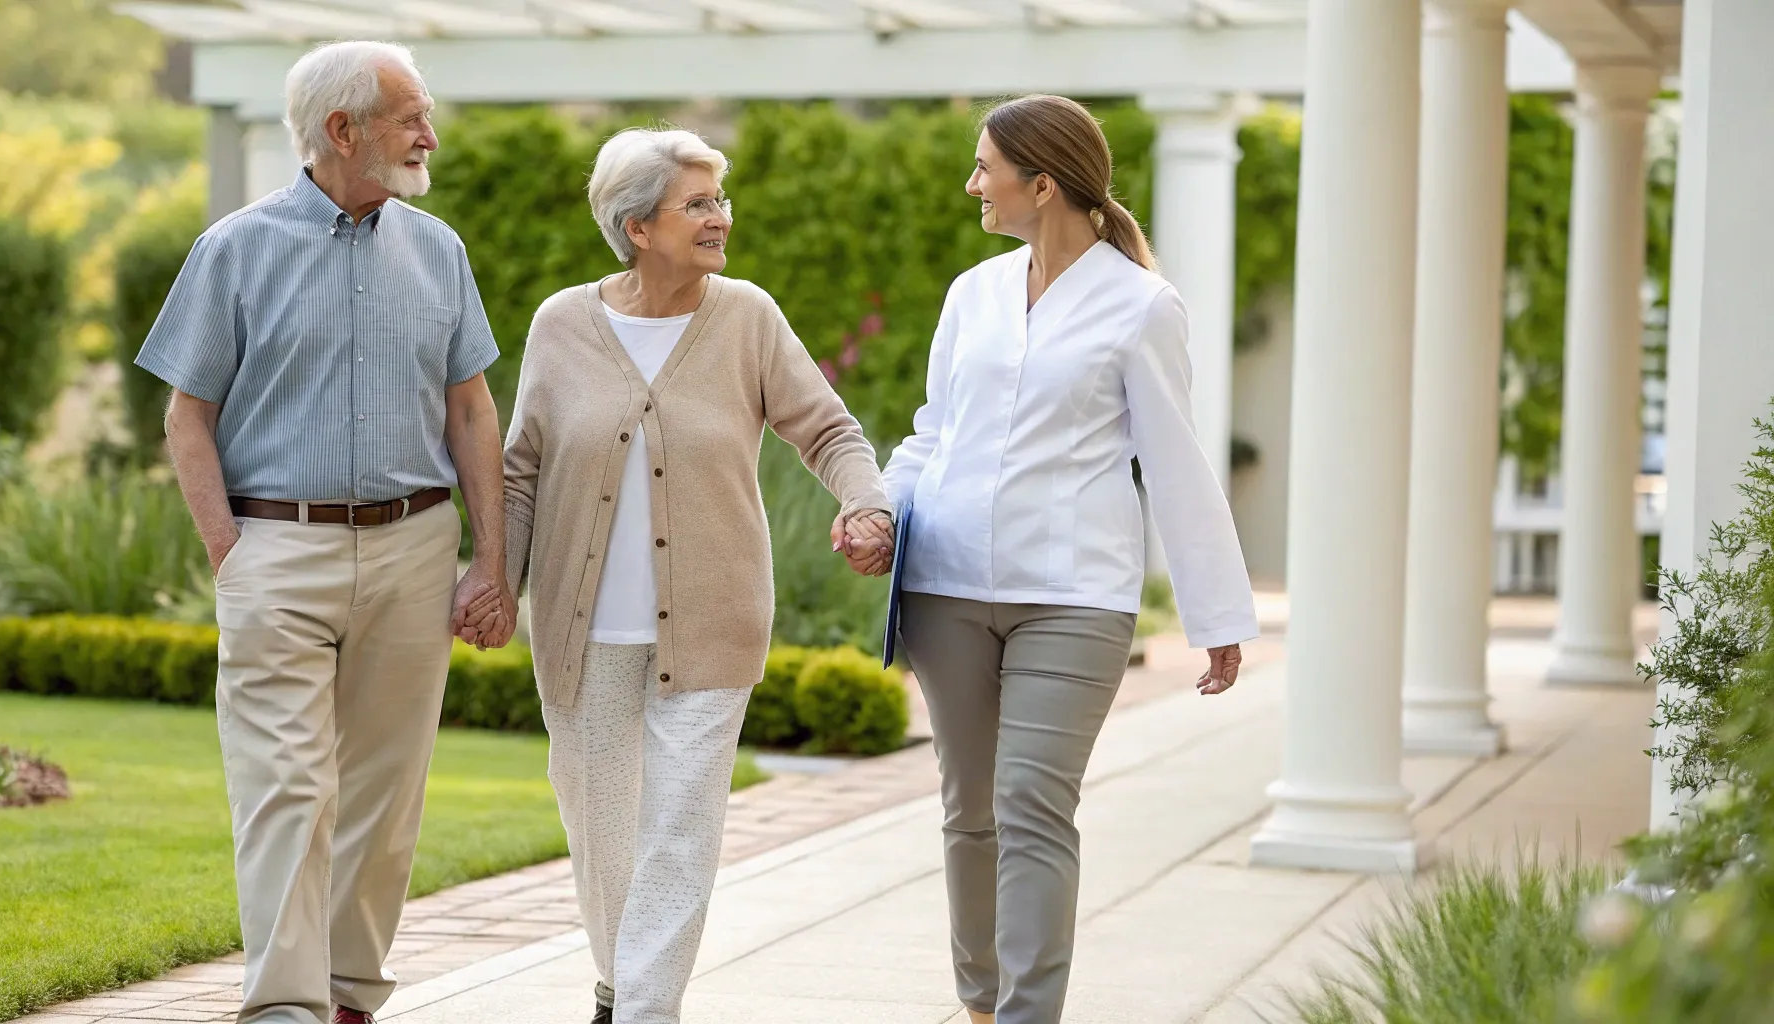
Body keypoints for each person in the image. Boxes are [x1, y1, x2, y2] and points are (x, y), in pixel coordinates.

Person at [133, 41, 512, 1024]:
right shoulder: (234, 249)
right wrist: (233, 553)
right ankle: (285, 1008)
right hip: (277, 549)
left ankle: (348, 997)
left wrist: (491, 559)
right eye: (410, 116)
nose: (429, 135)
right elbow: (187, 419)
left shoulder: (439, 250)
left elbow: (471, 414)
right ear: (343, 130)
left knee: (385, 799)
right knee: (287, 793)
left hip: (414, 544)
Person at [487, 126, 892, 1024]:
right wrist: (492, 581)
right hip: (580, 630)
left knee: (678, 833)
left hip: (712, 623)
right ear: (637, 225)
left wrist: (866, 502)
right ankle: (617, 984)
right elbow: (520, 472)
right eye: (699, 203)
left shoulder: (746, 316)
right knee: (602, 834)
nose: (721, 218)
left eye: (721, 200)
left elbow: (828, 429)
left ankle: (642, 1012)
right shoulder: (562, 324)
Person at [881, 95, 1259, 1024]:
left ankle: (1026, 1017)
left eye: (984, 168)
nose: (973, 184)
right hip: (945, 586)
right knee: (971, 811)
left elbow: (1176, 461)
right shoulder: (972, 293)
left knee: (1032, 805)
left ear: (1039, 183)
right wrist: (880, 511)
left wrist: (1216, 617)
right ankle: (980, 1005)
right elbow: (934, 434)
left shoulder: (1141, 306)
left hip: (1074, 599)